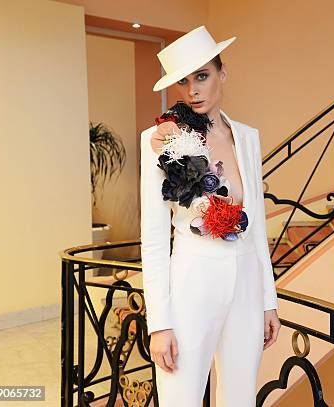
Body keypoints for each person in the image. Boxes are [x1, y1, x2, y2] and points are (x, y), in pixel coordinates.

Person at [139, 25, 281, 406]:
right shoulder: (162, 139)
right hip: (191, 284)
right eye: (184, 82)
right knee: (180, 399)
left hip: (247, 286)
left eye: (202, 76)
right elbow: (154, 238)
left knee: (240, 399)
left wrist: (268, 299)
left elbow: (258, 227)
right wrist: (160, 324)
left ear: (222, 74)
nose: (193, 91)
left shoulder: (247, 136)